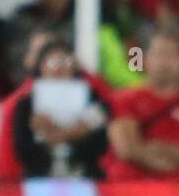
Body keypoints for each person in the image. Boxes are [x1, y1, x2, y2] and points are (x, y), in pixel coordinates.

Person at [7, 41, 109, 179]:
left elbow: (100, 145)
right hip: (40, 176)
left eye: (66, 62)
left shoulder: (91, 99)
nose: (59, 68)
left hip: (83, 174)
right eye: (53, 62)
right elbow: (22, 150)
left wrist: (57, 134)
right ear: (41, 66)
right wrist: (73, 133)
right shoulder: (26, 104)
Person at [106, 30, 179, 179]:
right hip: (134, 188)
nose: (164, 62)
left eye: (171, 55)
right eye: (159, 54)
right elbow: (127, 149)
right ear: (146, 58)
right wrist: (174, 158)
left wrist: (157, 148)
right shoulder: (124, 98)